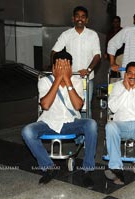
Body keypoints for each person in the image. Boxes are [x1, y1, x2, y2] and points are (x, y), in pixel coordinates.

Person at [22, 50, 98, 186]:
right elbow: (45, 105)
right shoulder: (44, 81)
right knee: (27, 131)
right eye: (59, 66)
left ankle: (87, 170)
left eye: (66, 67)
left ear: (71, 68)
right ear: (53, 67)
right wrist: (57, 79)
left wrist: (67, 79)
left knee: (91, 124)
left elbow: (78, 105)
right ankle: (49, 167)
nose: (62, 69)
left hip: (71, 122)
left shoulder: (76, 81)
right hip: (48, 123)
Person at [51, 6, 101, 118]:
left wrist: (88, 70)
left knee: (85, 108)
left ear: (87, 20)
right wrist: (57, 67)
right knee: (69, 106)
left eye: (83, 17)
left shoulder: (92, 35)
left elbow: (97, 56)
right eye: (77, 16)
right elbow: (54, 51)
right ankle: (72, 131)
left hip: (86, 79)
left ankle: (86, 134)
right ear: (73, 18)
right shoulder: (66, 34)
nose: (80, 19)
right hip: (69, 78)